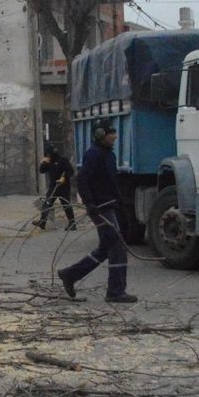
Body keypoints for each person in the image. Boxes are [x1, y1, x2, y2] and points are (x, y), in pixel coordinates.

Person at [56, 124, 137, 304]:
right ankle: (115, 291)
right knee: (116, 246)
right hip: (100, 207)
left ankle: (70, 274)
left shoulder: (109, 155)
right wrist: (90, 203)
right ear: (101, 135)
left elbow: (112, 182)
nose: (115, 137)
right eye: (111, 135)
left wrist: (121, 204)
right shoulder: (93, 154)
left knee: (107, 247)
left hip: (110, 205)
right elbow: (82, 179)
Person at [32, 143, 78, 231]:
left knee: (66, 204)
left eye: (48, 154)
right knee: (47, 203)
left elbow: (70, 171)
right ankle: (42, 222)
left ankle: (72, 223)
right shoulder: (50, 161)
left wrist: (64, 178)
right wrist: (44, 163)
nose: (48, 155)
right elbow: (42, 170)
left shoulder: (63, 160)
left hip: (63, 186)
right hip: (53, 186)